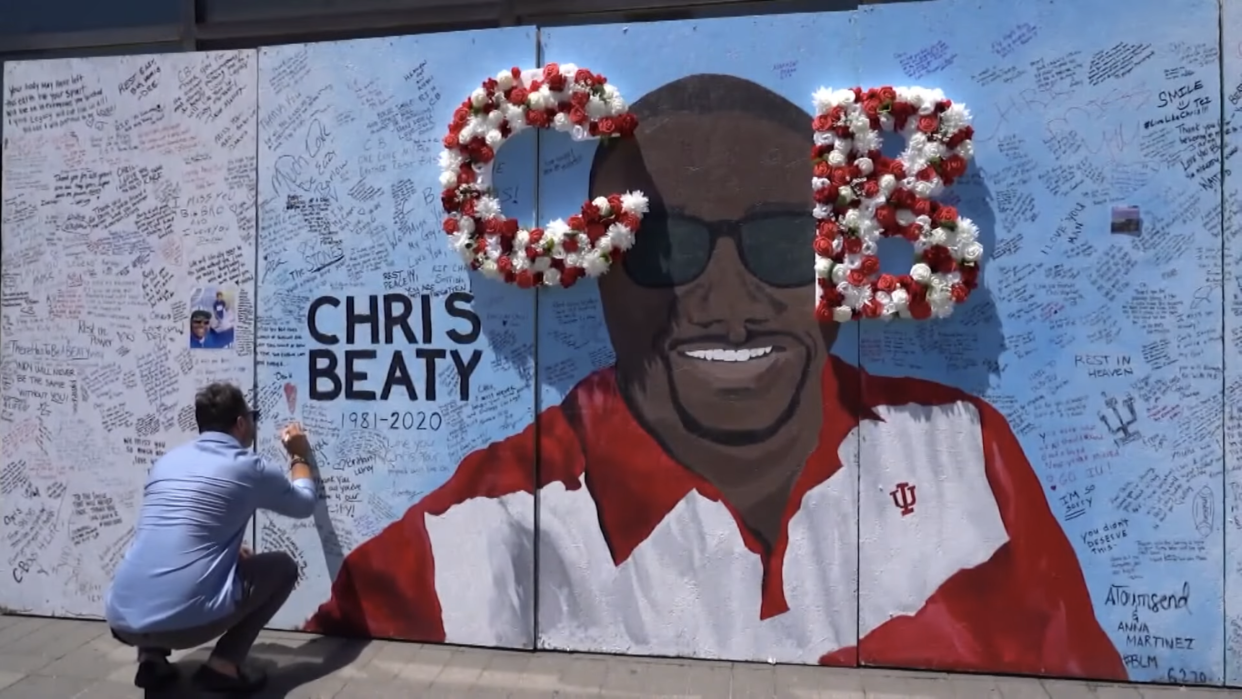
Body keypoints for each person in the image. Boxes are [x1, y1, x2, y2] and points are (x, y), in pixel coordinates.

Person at [303, 75, 1125, 678]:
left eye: (780, 243)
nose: (730, 306)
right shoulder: (484, 537)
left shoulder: (962, 455)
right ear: (599, 270)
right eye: (667, 250)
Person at [105, 382, 318, 693]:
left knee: (156, 559)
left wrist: (228, 554)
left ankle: (151, 661)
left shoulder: (166, 462)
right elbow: (303, 504)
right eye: (252, 416)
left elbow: (177, 535)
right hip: (186, 625)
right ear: (241, 423)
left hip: (121, 620)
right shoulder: (249, 467)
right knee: (283, 568)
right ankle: (224, 666)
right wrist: (298, 455)